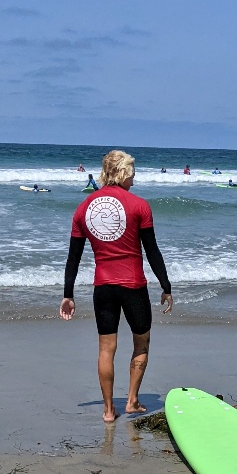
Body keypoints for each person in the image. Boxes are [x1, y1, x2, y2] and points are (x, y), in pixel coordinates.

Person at [60, 149, 173, 423]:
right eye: (132, 173)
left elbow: (73, 256)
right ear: (122, 173)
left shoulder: (83, 208)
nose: (134, 179)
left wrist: (68, 294)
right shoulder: (139, 206)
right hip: (134, 286)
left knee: (105, 349)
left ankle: (109, 410)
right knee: (141, 343)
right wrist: (166, 286)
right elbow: (152, 251)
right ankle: (132, 401)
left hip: (104, 288)